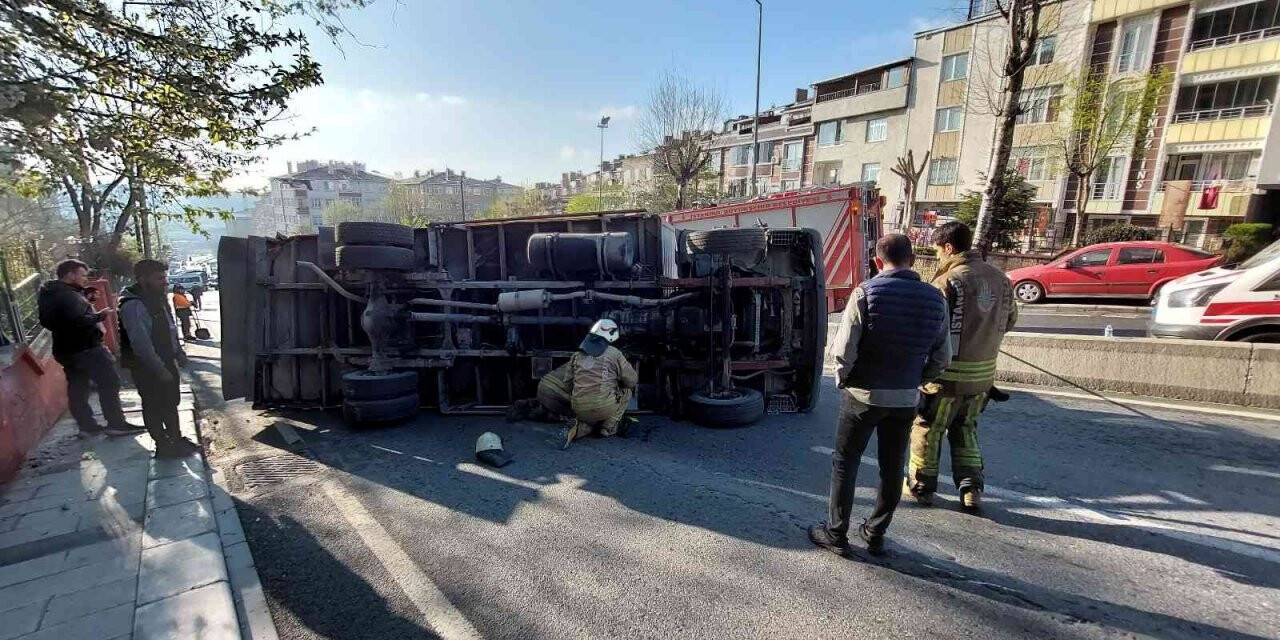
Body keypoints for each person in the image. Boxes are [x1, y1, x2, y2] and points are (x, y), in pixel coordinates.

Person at [808, 234, 951, 557]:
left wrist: (844, 380)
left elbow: (844, 349)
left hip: (863, 394)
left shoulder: (866, 292)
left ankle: (836, 533)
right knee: (892, 466)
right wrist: (917, 380)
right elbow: (943, 357)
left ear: (876, 262)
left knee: (845, 463)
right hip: (904, 399)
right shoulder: (935, 298)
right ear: (913, 260)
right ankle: (874, 533)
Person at [907, 222, 1018, 511]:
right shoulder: (1001, 279)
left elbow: (930, 327)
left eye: (937, 252)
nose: (938, 258)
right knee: (966, 428)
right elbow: (1010, 320)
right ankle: (971, 487)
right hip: (982, 378)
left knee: (928, 428)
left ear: (948, 248)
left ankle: (922, 486)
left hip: (945, 379)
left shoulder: (949, 281)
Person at [37, 259, 144, 438]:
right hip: (86, 347)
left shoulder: (50, 293)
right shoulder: (67, 295)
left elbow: (53, 321)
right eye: (82, 275)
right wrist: (99, 316)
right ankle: (116, 424)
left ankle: (87, 427)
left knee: (78, 387)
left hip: (66, 349)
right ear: (70, 275)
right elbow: (77, 320)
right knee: (109, 382)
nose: (86, 279)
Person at [120, 260, 197, 458]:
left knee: (171, 401)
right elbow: (141, 344)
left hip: (166, 360)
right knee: (154, 404)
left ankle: (176, 438)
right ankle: (163, 444)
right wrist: (159, 368)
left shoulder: (157, 299)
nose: (165, 282)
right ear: (143, 279)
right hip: (148, 367)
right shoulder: (134, 305)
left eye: (165, 278)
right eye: (159, 278)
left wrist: (178, 352)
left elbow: (170, 328)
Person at [561, 319, 638, 448]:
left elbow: (567, 384)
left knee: (587, 421)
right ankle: (607, 428)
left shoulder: (577, 354)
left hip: (579, 407)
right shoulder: (614, 353)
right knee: (626, 392)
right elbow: (632, 381)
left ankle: (579, 429)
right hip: (604, 406)